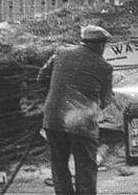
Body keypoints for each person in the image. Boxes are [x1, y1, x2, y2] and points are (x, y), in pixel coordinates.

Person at [38, 24, 114, 195]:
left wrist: (54, 99)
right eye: (104, 45)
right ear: (100, 45)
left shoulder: (61, 53)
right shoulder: (104, 67)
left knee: (59, 167)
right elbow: (106, 100)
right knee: (85, 169)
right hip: (81, 125)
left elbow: (41, 78)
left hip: (54, 120)